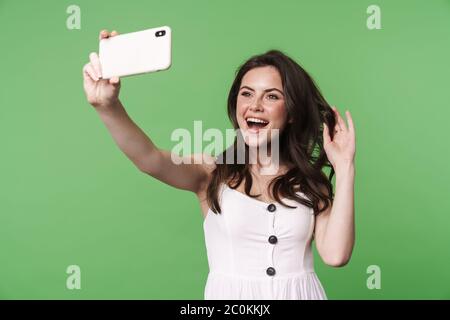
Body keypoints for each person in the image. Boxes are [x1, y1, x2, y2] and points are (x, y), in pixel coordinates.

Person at [83, 29, 356, 300]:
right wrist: (107, 106)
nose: (255, 105)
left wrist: (344, 168)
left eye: (272, 96)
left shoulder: (309, 184)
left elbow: (336, 255)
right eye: (246, 94)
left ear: (293, 112)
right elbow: (149, 159)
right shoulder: (212, 174)